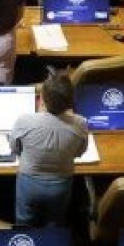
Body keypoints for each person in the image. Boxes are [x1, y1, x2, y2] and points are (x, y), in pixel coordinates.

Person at [10, 70, 89, 226]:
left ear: (41, 99)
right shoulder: (80, 124)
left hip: (29, 185)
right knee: (55, 225)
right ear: (70, 102)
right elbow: (79, 152)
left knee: (24, 226)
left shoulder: (24, 121)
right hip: (61, 187)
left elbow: (15, 148)